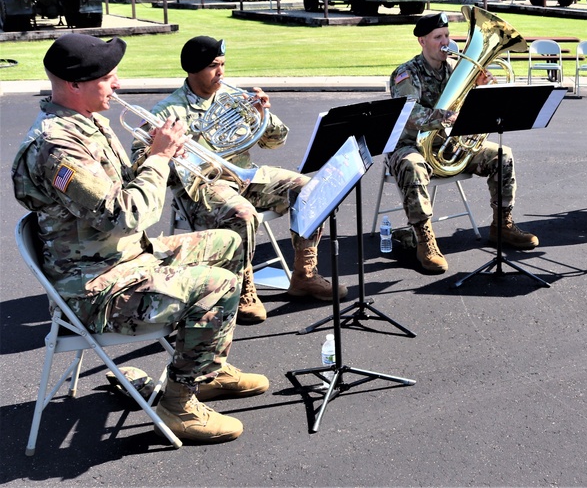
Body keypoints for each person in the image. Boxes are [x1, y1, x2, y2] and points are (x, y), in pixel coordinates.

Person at [11, 33, 268, 444]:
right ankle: (178, 403)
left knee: (229, 242)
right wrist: (161, 159)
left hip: (125, 258)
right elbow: (124, 216)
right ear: (74, 85)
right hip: (97, 287)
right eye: (108, 78)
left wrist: (153, 155)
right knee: (217, 285)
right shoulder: (57, 147)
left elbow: (122, 188)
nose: (118, 85)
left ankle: (207, 369)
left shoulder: (89, 125)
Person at [135, 36, 342, 325]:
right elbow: (141, 161)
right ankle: (243, 290)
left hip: (247, 176)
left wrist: (263, 115)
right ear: (193, 70)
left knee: (312, 190)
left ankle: (304, 275)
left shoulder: (233, 98)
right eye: (213, 66)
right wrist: (167, 151)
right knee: (243, 214)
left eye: (222, 64)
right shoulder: (168, 111)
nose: (221, 72)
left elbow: (276, 142)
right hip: (203, 189)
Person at [388, 12, 538, 273]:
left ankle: (502, 224)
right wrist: (444, 117)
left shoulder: (454, 70)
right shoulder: (405, 73)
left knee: (502, 154)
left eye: (447, 35)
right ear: (422, 41)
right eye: (438, 37)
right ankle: (424, 240)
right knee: (413, 165)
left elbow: (469, 113)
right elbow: (407, 115)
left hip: (445, 146)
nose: (446, 42)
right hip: (408, 146)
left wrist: (479, 89)